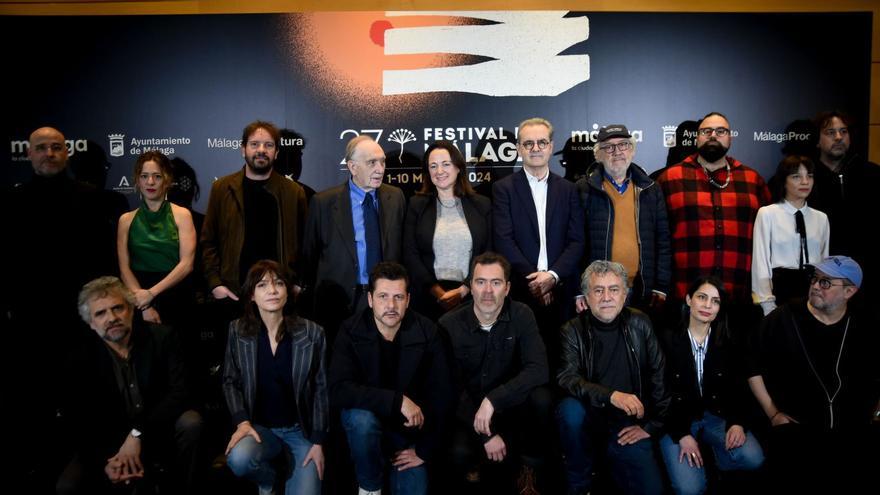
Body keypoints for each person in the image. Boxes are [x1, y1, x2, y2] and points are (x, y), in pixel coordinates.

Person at [4, 127, 117, 489]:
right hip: (31, 327)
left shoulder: (92, 199)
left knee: (85, 405)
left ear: (67, 153)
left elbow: (104, 263)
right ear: (29, 154)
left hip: (83, 326)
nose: (49, 153)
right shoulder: (12, 203)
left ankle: (88, 470)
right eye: (41, 148)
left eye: (56, 147)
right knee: (36, 409)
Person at [58, 277, 203, 495]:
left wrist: (137, 434)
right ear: (91, 323)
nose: (112, 318)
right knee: (67, 486)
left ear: (131, 310)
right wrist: (109, 461)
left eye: (118, 308)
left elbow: (180, 392)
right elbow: (80, 420)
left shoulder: (162, 337)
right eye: (101, 313)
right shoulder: (80, 358)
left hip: (156, 431)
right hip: (108, 444)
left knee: (191, 422)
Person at [748, 256, 879, 492]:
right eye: (815, 279)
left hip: (849, 439)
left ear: (849, 291)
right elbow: (751, 366)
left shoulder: (864, 326)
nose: (816, 286)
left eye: (826, 282)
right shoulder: (782, 319)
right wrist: (773, 413)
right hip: (795, 436)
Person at [329, 262, 452, 495]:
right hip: (363, 436)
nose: (391, 305)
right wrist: (397, 401)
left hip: (407, 440)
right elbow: (338, 389)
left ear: (408, 300)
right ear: (370, 300)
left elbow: (443, 395)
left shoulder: (428, 332)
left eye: (398, 297)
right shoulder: (350, 330)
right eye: (383, 296)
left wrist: (424, 450)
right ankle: (370, 488)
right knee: (361, 420)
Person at [439, 252, 552, 494]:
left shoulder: (522, 315)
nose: (488, 291)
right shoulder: (449, 325)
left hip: (509, 408)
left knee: (542, 397)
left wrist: (493, 400)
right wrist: (486, 436)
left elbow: (539, 369)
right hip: (468, 413)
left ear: (508, 288)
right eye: (480, 282)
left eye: (496, 282)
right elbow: (449, 389)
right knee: (459, 454)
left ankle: (528, 468)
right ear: (470, 287)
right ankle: (475, 464)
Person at [556, 260, 668, 495]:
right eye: (598, 290)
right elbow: (567, 379)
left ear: (625, 294)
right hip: (589, 417)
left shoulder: (641, 322)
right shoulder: (572, 330)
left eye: (614, 289)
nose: (606, 297)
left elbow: (660, 377)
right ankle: (579, 480)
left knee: (652, 490)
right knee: (569, 410)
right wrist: (612, 396)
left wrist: (652, 426)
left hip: (628, 424)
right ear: (586, 297)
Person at [223, 260, 328, 495]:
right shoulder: (237, 331)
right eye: (262, 285)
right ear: (251, 295)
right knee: (239, 459)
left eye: (279, 283)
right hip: (259, 428)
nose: (272, 291)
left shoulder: (312, 333)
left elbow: (321, 389)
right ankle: (267, 480)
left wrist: (319, 441)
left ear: (287, 292)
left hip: (300, 431)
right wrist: (242, 422)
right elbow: (230, 381)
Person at [659, 277, 764, 495]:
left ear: (719, 308)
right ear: (689, 300)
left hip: (715, 415)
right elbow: (658, 395)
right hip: (678, 420)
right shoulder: (666, 341)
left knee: (754, 458)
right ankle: (694, 456)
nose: (707, 306)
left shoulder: (728, 341)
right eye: (701, 297)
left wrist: (736, 422)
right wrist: (682, 435)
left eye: (715, 301)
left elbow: (740, 389)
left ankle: (714, 453)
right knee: (690, 489)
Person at [655, 112, 771, 310]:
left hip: (738, 296)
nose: (713, 135)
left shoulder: (752, 180)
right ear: (697, 137)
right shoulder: (670, 179)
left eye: (720, 131)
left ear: (730, 137)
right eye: (706, 131)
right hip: (686, 296)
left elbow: (768, 237)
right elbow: (657, 238)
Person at [493, 117, 585, 363]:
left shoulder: (569, 189)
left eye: (541, 142)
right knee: (523, 362)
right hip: (521, 293)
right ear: (519, 148)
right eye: (529, 143)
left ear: (551, 146)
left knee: (561, 362)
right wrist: (535, 282)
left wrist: (552, 277)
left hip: (561, 292)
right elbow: (503, 240)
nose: (535, 148)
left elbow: (577, 241)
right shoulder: (503, 189)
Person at [302, 135, 406, 337]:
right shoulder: (323, 202)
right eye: (372, 163)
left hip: (385, 299)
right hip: (339, 301)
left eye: (382, 162)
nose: (380, 169)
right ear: (352, 167)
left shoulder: (396, 197)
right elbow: (309, 256)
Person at [201, 120, 308, 307]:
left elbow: (306, 244)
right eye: (254, 144)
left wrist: (298, 283)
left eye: (268, 145)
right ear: (243, 149)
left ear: (276, 153)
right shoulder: (222, 188)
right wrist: (215, 283)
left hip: (280, 295)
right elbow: (208, 241)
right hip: (234, 294)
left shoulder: (294, 192)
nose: (261, 150)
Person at [576, 124, 671, 314]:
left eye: (623, 145)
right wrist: (579, 290)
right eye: (609, 147)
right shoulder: (583, 189)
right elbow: (576, 243)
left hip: (641, 289)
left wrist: (661, 285)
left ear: (632, 151)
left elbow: (663, 241)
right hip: (599, 291)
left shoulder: (651, 189)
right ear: (598, 155)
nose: (617, 151)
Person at [403, 140, 492, 319]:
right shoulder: (416, 205)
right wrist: (436, 292)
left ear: (458, 167)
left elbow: (488, 251)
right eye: (433, 166)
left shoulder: (481, 204)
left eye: (446, 164)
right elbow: (409, 253)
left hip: (472, 296)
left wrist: (465, 289)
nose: (440, 171)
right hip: (428, 298)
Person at [807, 110, 880, 304]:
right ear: (817, 140)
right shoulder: (804, 178)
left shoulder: (872, 174)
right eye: (831, 132)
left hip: (867, 282)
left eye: (843, 131)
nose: (838, 137)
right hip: (820, 281)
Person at [117, 151, 196, 326]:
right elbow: (124, 269)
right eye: (144, 176)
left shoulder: (182, 215)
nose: (150, 182)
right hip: (138, 299)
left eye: (157, 176)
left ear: (167, 180)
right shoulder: (125, 220)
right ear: (137, 180)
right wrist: (144, 305)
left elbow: (187, 264)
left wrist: (151, 293)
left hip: (176, 296)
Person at [752, 155, 829, 315]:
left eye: (809, 176)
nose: (805, 182)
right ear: (784, 181)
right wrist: (767, 303)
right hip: (780, 289)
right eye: (796, 177)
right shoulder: (768, 214)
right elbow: (761, 262)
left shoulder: (821, 218)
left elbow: (824, 262)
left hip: (812, 291)